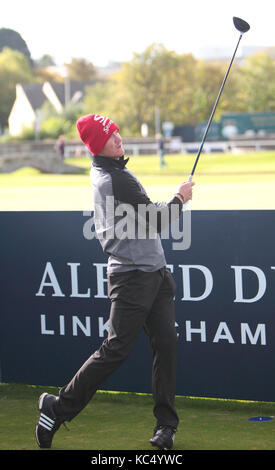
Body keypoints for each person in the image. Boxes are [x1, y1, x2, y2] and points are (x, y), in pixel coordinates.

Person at [35, 114, 195, 450]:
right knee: (116, 349)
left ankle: (166, 427)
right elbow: (156, 220)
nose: (118, 138)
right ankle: (57, 407)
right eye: (111, 136)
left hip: (153, 271)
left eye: (117, 132)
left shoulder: (113, 170)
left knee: (166, 344)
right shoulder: (115, 179)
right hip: (133, 276)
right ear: (97, 145)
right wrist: (179, 199)